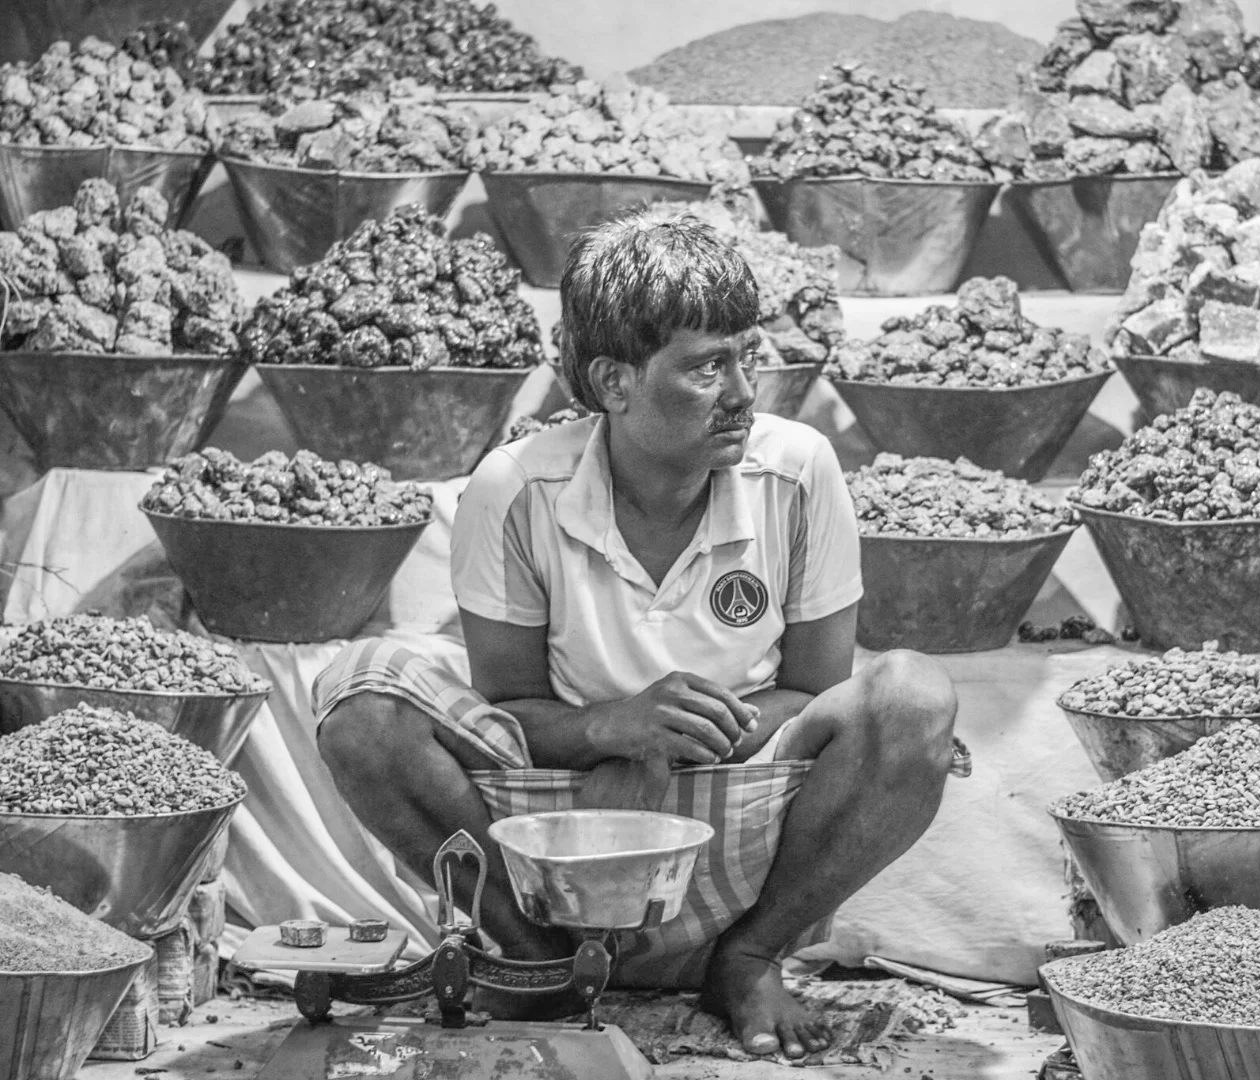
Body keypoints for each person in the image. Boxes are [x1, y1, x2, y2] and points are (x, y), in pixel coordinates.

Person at [315, 210, 963, 1059]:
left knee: (914, 696)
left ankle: (751, 953)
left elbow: (814, 689)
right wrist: (607, 729)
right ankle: (532, 956)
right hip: (560, 803)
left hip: (739, 789)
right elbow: (507, 701)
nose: (740, 393)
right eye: (704, 368)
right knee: (362, 697)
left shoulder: (798, 470)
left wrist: (674, 740)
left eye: (744, 358)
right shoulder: (514, 487)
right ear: (612, 382)